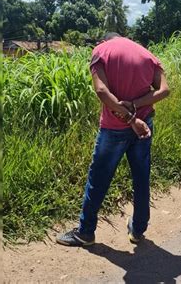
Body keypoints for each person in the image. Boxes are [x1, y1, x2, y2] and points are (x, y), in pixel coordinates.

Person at [57, 33, 170, 246]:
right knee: (141, 177)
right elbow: (164, 90)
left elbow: (101, 90)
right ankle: (137, 230)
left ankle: (86, 232)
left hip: (114, 128)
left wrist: (128, 116)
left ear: (104, 41)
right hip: (144, 126)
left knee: (98, 179)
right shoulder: (148, 54)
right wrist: (136, 106)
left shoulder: (101, 51)